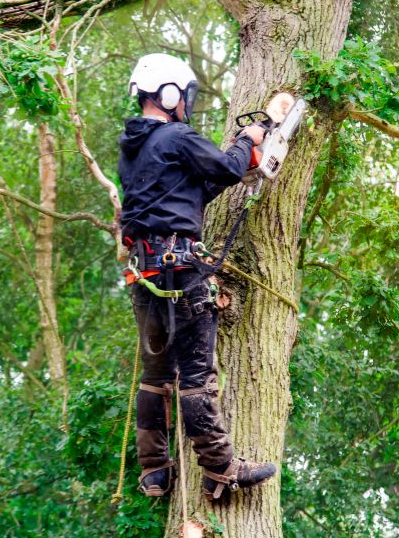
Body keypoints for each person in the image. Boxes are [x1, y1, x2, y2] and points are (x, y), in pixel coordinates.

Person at [118, 53, 277, 501]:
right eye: (183, 95)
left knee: (155, 374)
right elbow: (225, 168)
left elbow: (188, 191)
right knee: (196, 374)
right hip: (179, 270)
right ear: (169, 94)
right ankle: (220, 466)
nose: (186, 103)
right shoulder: (177, 135)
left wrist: (236, 163)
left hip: (144, 273)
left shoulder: (133, 148)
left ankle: (154, 470)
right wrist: (248, 141)